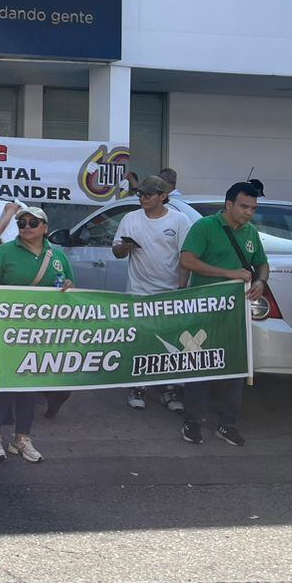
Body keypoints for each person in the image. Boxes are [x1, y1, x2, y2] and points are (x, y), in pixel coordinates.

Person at [0, 205, 72, 462]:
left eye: (32, 223)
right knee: (5, 383)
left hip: (41, 333)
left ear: (45, 228)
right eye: (22, 223)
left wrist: (68, 287)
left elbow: (67, 288)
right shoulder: (3, 252)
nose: (26, 227)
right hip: (7, 331)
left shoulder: (58, 256)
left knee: (30, 385)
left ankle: (22, 438)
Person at [177, 181, 269, 447]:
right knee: (200, 365)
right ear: (229, 204)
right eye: (244, 206)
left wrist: (261, 282)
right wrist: (228, 274)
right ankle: (192, 420)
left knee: (235, 367)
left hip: (235, 312)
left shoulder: (251, 232)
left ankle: (228, 424)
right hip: (205, 308)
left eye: (253, 208)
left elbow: (261, 263)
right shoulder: (205, 226)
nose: (249, 212)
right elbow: (187, 260)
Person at [111, 175, 186, 410]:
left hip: (169, 292)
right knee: (141, 341)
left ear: (163, 196)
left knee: (169, 344)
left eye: (148, 194)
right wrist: (124, 247)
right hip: (139, 291)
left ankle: (169, 390)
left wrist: (181, 290)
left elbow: (186, 257)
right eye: (140, 194)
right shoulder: (130, 219)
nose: (142, 198)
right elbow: (117, 252)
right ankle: (138, 386)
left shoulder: (179, 220)